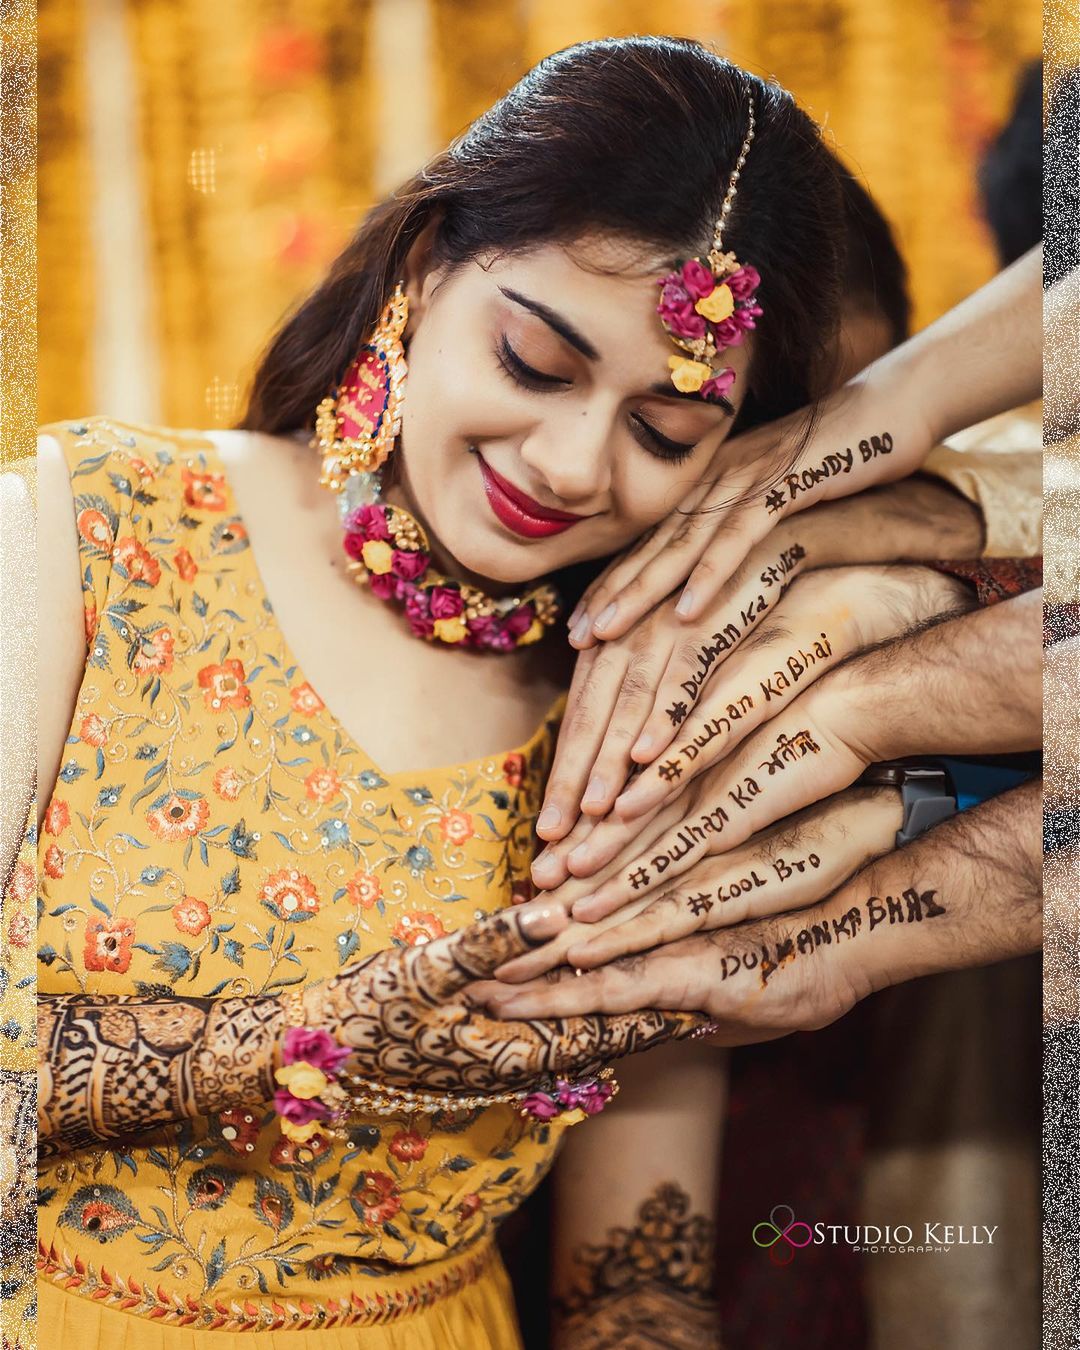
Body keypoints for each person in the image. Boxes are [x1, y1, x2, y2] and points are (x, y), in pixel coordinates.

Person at [12, 37, 1040, 1350]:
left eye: (664, 434)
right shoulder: (89, 538)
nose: (568, 464)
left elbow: (633, 1276)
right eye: (534, 363)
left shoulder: (651, 716)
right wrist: (287, 1042)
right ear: (425, 266)